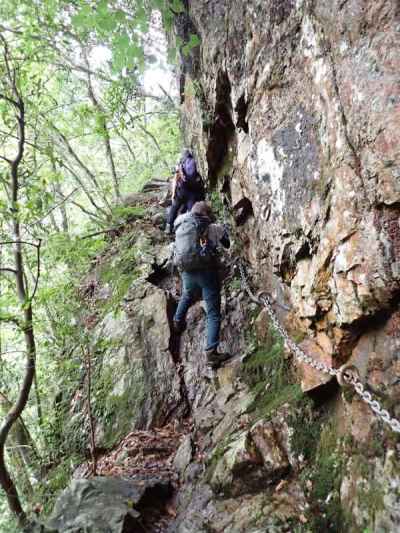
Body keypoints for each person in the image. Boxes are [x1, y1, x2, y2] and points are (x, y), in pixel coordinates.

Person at [172, 201, 231, 369]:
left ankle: (177, 321)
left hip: (186, 271)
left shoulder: (181, 223)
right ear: (207, 214)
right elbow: (227, 243)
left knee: (188, 294)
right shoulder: (212, 228)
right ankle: (211, 352)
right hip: (206, 273)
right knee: (213, 313)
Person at [165, 150, 205, 234]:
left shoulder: (181, 165)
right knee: (191, 212)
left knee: (174, 208)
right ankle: (191, 231)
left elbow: (175, 180)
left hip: (181, 191)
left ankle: (169, 227)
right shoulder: (194, 163)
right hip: (192, 194)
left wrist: (173, 194)